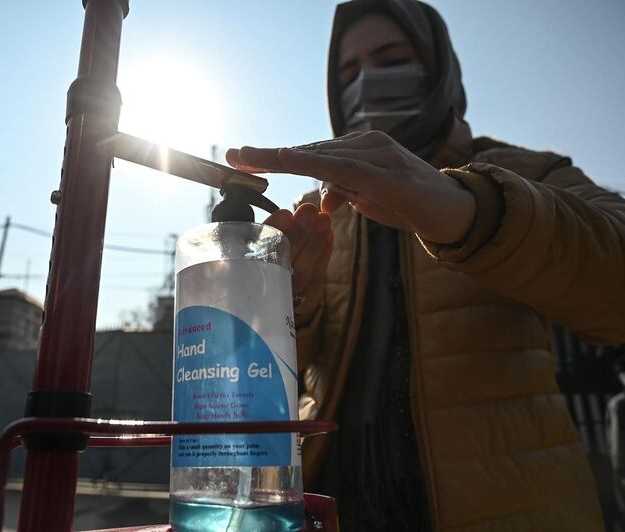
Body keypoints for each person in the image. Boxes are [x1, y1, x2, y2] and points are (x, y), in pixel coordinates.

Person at [226, 0, 625, 530]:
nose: (367, 82)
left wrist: (470, 211)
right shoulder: (320, 210)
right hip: (335, 505)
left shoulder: (521, 173)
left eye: (391, 59)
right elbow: (278, 380)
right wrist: (287, 301)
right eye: (349, 73)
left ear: (438, 69)